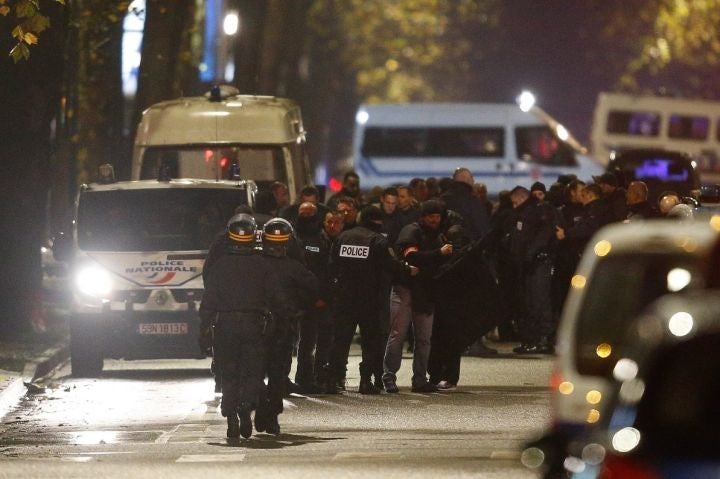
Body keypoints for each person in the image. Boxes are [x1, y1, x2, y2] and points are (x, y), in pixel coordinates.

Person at [198, 214, 286, 439]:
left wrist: (204, 328)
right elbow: (276, 298)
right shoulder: (263, 264)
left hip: (225, 325)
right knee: (252, 371)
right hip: (254, 325)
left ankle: (231, 418)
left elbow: (209, 301)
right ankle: (246, 407)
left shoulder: (219, 266)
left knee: (228, 371)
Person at [325, 205, 418, 394]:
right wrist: (408, 270)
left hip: (344, 298)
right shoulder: (378, 240)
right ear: (378, 221)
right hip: (370, 299)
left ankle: (332, 380)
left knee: (340, 340)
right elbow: (391, 265)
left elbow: (332, 266)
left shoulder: (343, 237)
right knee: (371, 341)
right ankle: (365, 381)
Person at [255, 218, 318, 435]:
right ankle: (271, 415)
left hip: (256, 327)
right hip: (283, 328)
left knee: (254, 371)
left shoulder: (253, 264)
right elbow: (315, 288)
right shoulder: (294, 267)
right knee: (277, 373)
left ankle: (263, 406)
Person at [383, 200, 453, 393]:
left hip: (426, 292)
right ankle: (389, 377)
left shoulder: (439, 236)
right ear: (423, 217)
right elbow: (411, 257)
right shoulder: (411, 231)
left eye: (438, 216)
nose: (435, 220)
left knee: (424, 339)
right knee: (398, 336)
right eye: (431, 216)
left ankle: (420, 379)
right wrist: (439, 253)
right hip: (405, 289)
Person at [509, 186, 559, 355]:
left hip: (538, 262)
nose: (514, 205)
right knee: (530, 301)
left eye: (516, 202)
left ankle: (544, 339)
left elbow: (543, 235)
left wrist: (531, 253)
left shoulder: (539, 210)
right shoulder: (527, 211)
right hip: (528, 263)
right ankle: (534, 339)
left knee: (539, 300)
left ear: (522, 198)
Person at [440, 167, 490, 240]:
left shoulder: (442, 199)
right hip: (469, 246)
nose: (473, 181)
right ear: (466, 179)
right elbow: (481, 228)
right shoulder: (473, 201)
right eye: (472, 178)